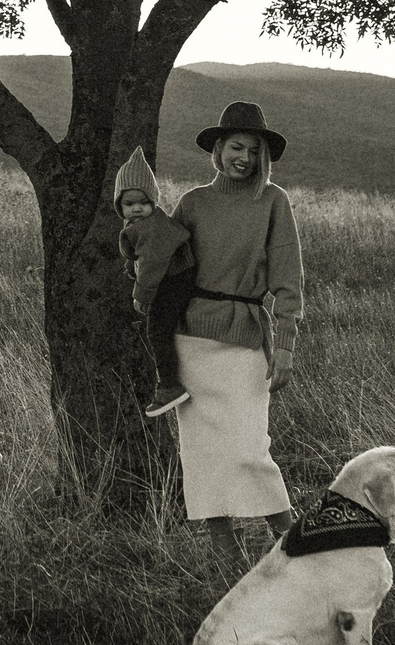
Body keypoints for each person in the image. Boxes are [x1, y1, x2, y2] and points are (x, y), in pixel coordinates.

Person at [166, 101, 305, 575]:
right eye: (235, 147)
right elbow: (166, 269)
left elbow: (289, 280)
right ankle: (227, 564)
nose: (243, 158)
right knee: (202, 454)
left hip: (247, 337)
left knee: (250, 449)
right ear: (219, 149)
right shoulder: (192, 203)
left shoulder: (273, 201)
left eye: (253, 150)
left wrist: (284, 346)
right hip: (192, 341)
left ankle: (297, 547)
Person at [113, 147, 198, 418]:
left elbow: (152, 261)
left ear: (154, 201)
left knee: (158, 332)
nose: (137, 208)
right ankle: (170, 381)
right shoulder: (142, 225)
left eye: (143, 202)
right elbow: (137, 255)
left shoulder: (152, 228)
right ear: (120, 206)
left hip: (174, 280)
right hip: (172, 278)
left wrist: (142, 294)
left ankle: (170, 386)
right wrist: (131, 267)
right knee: (162, 330)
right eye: (129, 203)